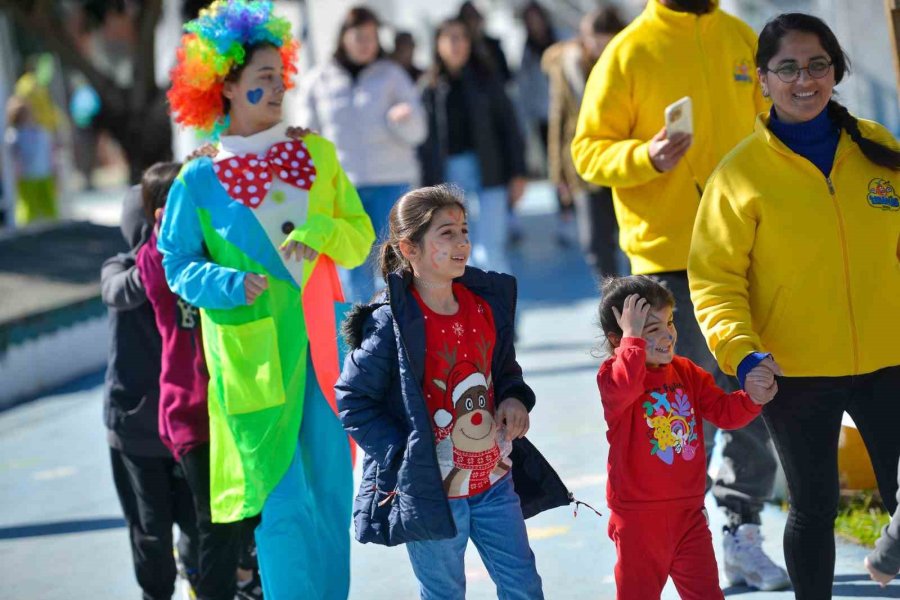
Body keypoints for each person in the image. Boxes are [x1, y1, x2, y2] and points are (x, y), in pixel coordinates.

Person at [571, 0, 789, 589]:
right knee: (678, 407)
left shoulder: (743, 36)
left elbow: (778, 130)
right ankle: (661, 530)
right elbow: (587, 151)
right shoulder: (627, 50)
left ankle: (741, 529)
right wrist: (645, 155)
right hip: (667, 260)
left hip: (747, 248)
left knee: (744, 392)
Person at [160, 1, 375, 598]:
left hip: (324, 353)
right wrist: (229, 285)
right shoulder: (197, 179)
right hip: (253, 362)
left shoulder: (317, 154)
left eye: (280, 78)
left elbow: (359, 238)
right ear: (224, 87)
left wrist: (319, 234)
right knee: (280, 503)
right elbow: (175, 263)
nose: (277, 90)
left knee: (333, 492)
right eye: (261, 81)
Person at [688, 12, 900, 599]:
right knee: (814, 505)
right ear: (762, 78)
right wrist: (741, 353)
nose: (803, 80)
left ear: (836, 70)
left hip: (891, 357)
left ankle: (887, 556)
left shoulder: (880, 149)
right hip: (795, 369)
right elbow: (715, 281)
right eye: (788, 68)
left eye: (817, 65)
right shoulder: (739, 176)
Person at [336, 185, 570, 600]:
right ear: (409, 248)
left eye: (464, 230)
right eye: (446, 233)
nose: (462, 241)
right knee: (443, 593)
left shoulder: (484, 304)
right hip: (432, 494)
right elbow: (354, 401)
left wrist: (514, 398)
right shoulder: (389, 323)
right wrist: (404, 453)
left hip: (495, 481)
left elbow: (504, 371)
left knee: (523, 585)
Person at [597, 275, 771, 599]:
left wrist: (752, 398)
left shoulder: (686, 371)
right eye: (651, 329)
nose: (668, 335)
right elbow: (626, 386)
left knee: (707, 593)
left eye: (669, 322)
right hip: (638, 521)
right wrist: (631, 340)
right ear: (617, 340)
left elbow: (723, 411)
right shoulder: (612, 376)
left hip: (688, 516)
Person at [136, 160, 262, 600]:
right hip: (191, 412)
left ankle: (247, 575)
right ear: (161, 218)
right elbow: (163, 253)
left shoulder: (214, 254)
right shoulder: (157, 261)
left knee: (250, 516)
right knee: (216, 522)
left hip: (236, 401)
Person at [101, 183, 199, 600]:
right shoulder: (120, 266)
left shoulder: (196, 268)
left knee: (199, 528)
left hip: (189, 424)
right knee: (149, 536)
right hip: (135, 430)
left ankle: (195, 577)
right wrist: (162, 246)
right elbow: (120, 292)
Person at [297, 6, 426, 303]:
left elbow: (419, 132)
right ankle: (362, 330)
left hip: (391, 181)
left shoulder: (393, 76)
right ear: (344, 38)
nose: (366, 43)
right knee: (352, 262)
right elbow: (306, 137)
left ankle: (399, 325)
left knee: (394, 259)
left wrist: (403, 119)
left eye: (372, 37)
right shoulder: (319, 80)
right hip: (344, 186)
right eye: (359, 37)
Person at [419, 18, 526, 275]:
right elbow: (423, 143)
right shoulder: (429, 88)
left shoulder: (487, 79)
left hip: (490, 172)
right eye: (450, 38)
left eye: (462, 38)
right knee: (458, 249)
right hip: (449, 177)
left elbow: (509, 127)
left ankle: (501, 311)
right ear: (438, 44)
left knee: (491, 247)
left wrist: (518, 173)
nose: (457, 44)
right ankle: (474, 313)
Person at [541, 7, 626, 280]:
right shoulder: (570, 66)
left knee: (631, 240)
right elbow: (559, 119)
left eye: (606, 44)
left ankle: (643, 305)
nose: (598, 50)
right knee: (595, 243)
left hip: (625, 160)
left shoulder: (628, 61)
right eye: (594, 42)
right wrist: (558, 175)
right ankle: (613, 305)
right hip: (585, 162)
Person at [5, 96, 57, 225]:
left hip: (44, 173)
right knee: (28, 207)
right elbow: (14, 157)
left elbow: (49, 152)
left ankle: (53, 227)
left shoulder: (39, 132)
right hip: (26, 177)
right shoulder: (14, 135)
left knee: (49, 205)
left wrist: (54, 170)